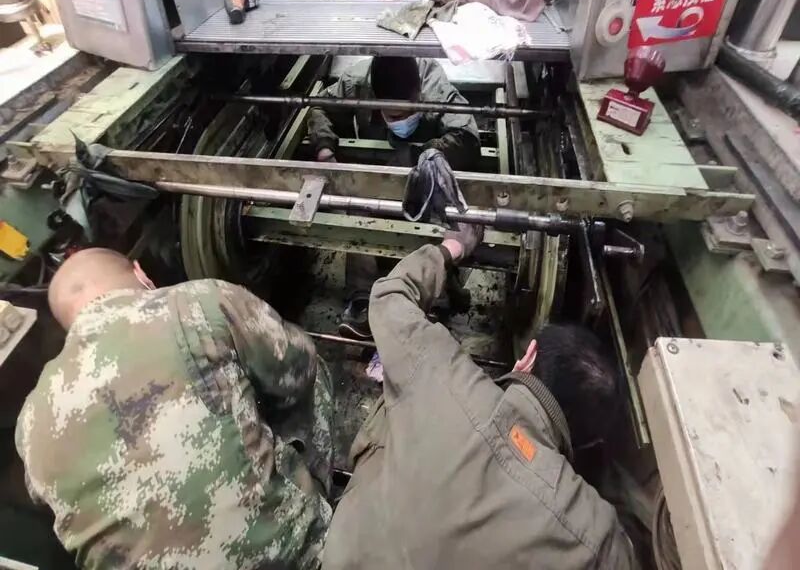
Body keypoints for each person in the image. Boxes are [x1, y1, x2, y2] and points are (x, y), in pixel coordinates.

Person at [322, 225, 639, 569]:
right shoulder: (597, 535)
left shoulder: (438, 371)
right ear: (588, 440)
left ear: (528, 356)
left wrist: (452, 248)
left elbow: (390, 296)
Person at [15, 248, 334, 569]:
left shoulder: (29, 424)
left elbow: (47, 498)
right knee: (307, 369)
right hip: (288, 559)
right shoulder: (197, 303)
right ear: (141, 274)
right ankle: (321, 517)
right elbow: (297, 367)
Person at [307, 55, 480, 340]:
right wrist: (325, 148)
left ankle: (430, 299)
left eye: (405, 114)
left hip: (421, 177)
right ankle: (362, 299)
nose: (399, 122)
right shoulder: (356, 81)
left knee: (434, 206)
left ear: (418, 94)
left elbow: (467, 137)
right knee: (359, 202)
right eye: (392, 116)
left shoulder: (434, 85)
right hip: (377, 176)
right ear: (375, 98)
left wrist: (427, 153)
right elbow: (318, 106)